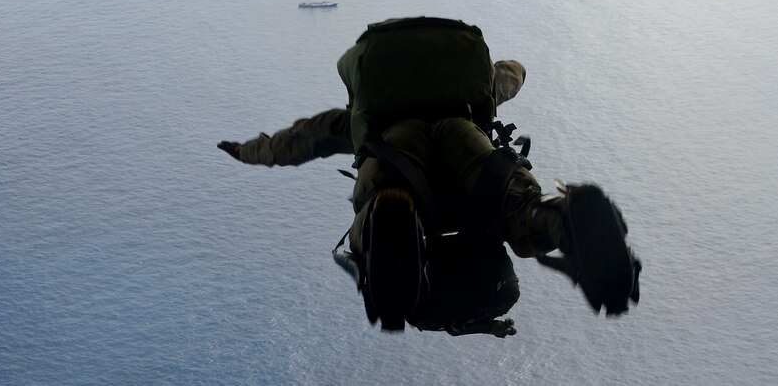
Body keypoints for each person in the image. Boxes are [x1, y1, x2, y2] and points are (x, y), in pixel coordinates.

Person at [218, 17, 641, 337]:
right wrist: (517, 70)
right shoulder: (473, 90)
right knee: (513, 205)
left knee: (382, 199)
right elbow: (510, 76)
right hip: (466, 139)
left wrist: (246, 152)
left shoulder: (360, 117)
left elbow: (298, 141)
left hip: (395, 150)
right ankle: (559, 219)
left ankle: (390, 218)